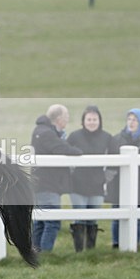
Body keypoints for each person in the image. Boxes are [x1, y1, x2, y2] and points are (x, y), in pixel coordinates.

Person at [30, 104, 83, 251]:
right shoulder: (47, 133)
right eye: (66, 117)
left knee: (40, 222)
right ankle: (45, 254)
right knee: (52, 222)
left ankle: (34, 253)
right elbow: (62, 149)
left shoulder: (40, 130)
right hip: (47, 184)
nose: (67, 120)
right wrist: (78, 151)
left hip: (41, 184)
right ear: (59, 118)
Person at [105, 108, 140, 248]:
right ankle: (116, 243)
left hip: (139, 188)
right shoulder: (116, 139)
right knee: (117, 216)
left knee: (137, 218)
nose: (131, 122)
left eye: (135, 120)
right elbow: (109, 166)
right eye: (129, 119)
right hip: (118, 186)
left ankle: (135, 243)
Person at [67, 105, 112, 252]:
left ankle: (91, 251)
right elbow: (64, 157)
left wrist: (106, 178)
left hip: (97, 185)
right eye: (89, 119)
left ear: (100, 120)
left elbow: (115, 160)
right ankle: (79, 251)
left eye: (94, 119)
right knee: (79, 217)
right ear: (83, 121)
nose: (92, 122)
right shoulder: (74, 136)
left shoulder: (107, 137)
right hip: (77, 185)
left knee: (93, 218)